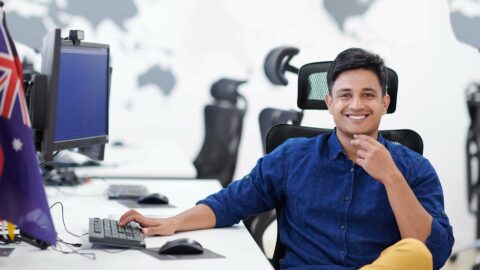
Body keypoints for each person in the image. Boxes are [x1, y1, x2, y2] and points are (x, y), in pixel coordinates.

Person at [119, 48, 454, 269]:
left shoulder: (413, 168)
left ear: (384, 103)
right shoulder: (294, 156)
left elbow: (431, 255)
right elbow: (230, 203)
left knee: (413, 254)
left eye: (368, 95)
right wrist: (172, 222)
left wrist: (392, 179)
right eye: (345, 95)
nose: (356, 105)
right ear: (329, 103)